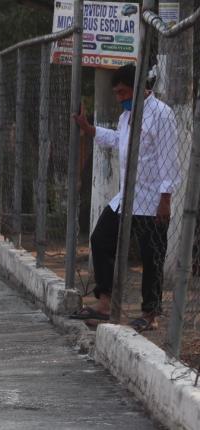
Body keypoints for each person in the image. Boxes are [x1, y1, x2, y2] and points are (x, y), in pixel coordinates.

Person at [71, 64, 180, 332]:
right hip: (127, 197)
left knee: (152, 256)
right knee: (100, 239)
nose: (120, 98)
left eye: (122, 92)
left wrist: (165, 198)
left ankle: (150, 314)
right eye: (117, 93)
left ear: (139, 87)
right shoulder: (127, 116)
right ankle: (106, 303)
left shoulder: (162, 115)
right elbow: (119, 140)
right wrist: (89, 129)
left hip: (153, 200)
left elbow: (170, 159)